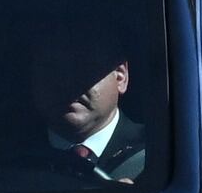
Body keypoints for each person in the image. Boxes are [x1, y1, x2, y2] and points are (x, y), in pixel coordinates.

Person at [31, 32, 149, 183]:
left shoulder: (162, 159)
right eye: (52, 69)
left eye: (83, 67)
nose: (66, 83)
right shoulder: (6, 163)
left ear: (120, 76)